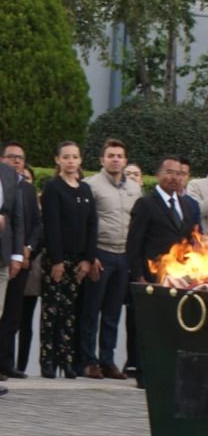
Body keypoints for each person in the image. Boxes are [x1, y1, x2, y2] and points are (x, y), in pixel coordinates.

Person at [79, 138, 143, 380]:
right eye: (111, 155)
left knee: (113, 312)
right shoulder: (91, 186)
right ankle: (88, 360)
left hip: (123, 255)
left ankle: (108, 360)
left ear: (125, 160)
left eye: (119, 156)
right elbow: (86, 223)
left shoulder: (134, 188)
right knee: (91, 310)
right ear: (102, 160)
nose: (115, 159)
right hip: (100, 253)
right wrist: (90, 255)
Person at [39, 141, 97, 379]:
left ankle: (68, 360)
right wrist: (57, 260)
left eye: (75, 157)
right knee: (52, 311)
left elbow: (92, 224)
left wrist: (88, 259)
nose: (71, 161)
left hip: (78, 260)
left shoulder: (85, 189)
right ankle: (48, 360)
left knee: (70, 312)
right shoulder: (53, 187)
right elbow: (51, 226)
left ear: (80, 160)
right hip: (57, 260)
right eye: (66, 157)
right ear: (58, 160)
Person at [0, 143, 42, 380]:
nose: (16, 161)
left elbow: (30, 222)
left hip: (17, 258)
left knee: (11, 315)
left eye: (21, 158)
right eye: (11, 157)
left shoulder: (24, 188)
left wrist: (24, 251)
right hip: (5, 255)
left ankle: (6, 363)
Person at [126, 156, 198, 284]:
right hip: (152, 276)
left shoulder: (185, 205)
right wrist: (139, 277)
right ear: (158, 174)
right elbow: (133, 244)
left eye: (178, 173)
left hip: (179, 277)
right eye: (169, 172)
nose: (174, 177)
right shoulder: (145, 204)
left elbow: (188, 239)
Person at [16, 167, 42, 376]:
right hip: (12, 264)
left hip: (30, 270)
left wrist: (28, 253)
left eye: (27, 177)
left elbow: (38, 230)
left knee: (26, 323)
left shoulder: (34, 202)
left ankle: (21, 365)